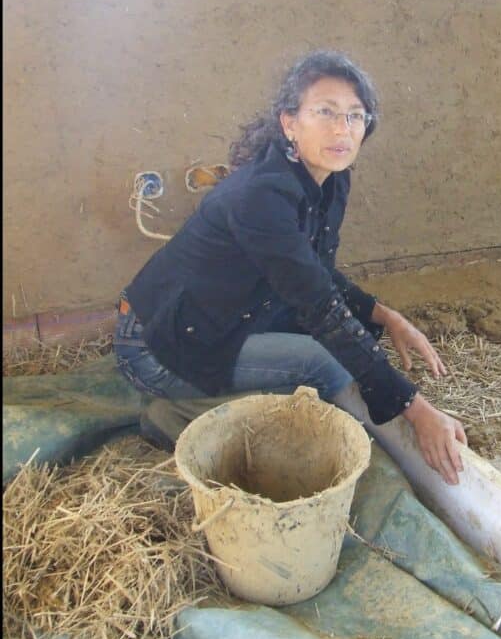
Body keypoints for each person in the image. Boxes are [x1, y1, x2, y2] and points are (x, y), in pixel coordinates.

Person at [114, 50, 467, 484]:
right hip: (154, 346)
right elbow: (320, 307)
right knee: (324, 365)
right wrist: (415, 409)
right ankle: (178, 416)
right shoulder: (260, 197)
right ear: (289, 123)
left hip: (216, 318)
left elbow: (313, 270)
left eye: (356, 116)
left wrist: (384, 316)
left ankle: (217, 404)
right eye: (325, 112)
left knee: (338, 347)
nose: (343, 128)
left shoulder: (331, 177)